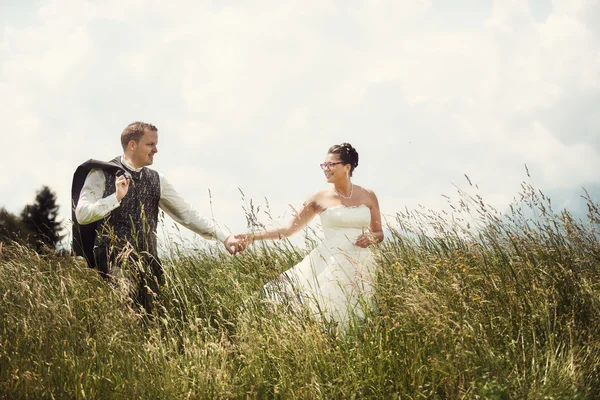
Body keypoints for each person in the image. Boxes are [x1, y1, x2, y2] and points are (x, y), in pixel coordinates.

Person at [74, 121, 244, 312]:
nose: (156, 150)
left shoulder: (157, 180)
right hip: (110, 263)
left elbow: (187, 215)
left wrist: (224, 237)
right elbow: (82, 214)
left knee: (151, 323)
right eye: (150, 144)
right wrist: (115, 198)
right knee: (123, 316)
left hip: (148, 266)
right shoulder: (100, 174)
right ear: (132, 145)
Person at [237, 143, 383, 324]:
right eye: (324, 165)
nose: (326, 169)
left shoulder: (368, 195)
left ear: (347, 167)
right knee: (332, 312)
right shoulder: (318, 198)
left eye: (331, 165)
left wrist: (372, 237)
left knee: (361, 314)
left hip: (362, 264)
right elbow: (289, 229)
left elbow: (379, 233)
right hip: (331, 263)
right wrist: (253, 236)